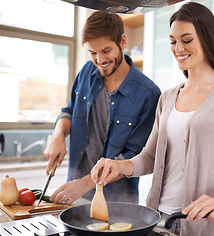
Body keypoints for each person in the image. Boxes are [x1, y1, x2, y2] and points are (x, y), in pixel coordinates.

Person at [91, 2, 214, 236]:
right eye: (173, 41)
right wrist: (119, 166)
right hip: (156, 222)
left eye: (187, 40)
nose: (178, 48)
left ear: (207, 38)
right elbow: (150, 157)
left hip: (203, 227)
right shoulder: (168, 97)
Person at [44, 11, 161, 204]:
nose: (99, 60)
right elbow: (70, 111)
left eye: (106, 51)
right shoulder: (86, 72)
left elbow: (134, 158)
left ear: (122, 41)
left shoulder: (149, 94)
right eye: (92, 53)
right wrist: (57, 136)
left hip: (117, 203)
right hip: (75, 193)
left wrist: (85, 183)